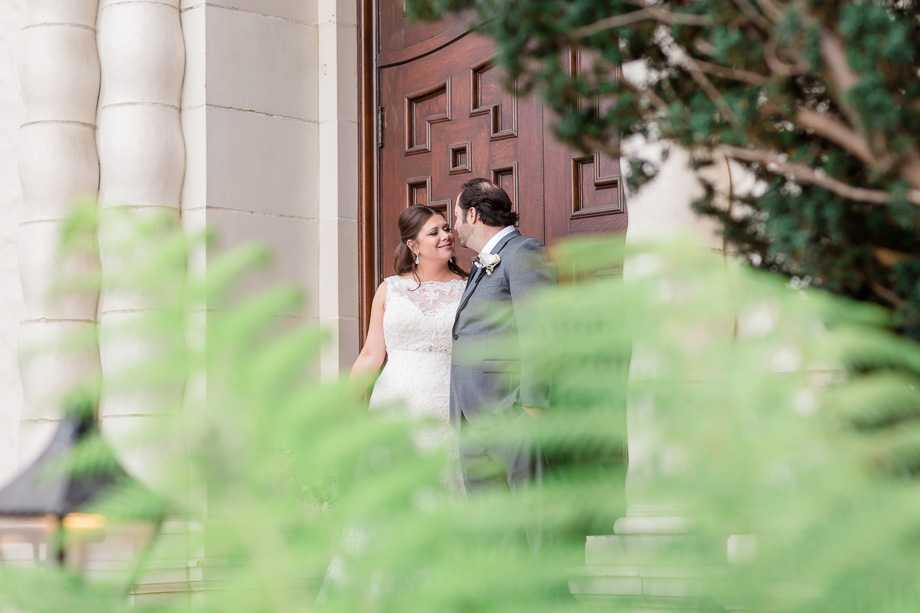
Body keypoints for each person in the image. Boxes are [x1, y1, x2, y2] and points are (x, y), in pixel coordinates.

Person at [351, 204, 469, 492]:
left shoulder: (469, 288)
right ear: (413, 245)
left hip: (445, 403)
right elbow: (370, 354)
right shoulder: (389, 289)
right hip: (392, 404)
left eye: (446, 228)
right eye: (434, 232)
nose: (446, 235)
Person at [450, 177, 555, 495]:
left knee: (536, 525)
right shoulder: (482, 263)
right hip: (473, 421)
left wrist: (531, 411)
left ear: (472, 215)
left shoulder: (524, 252)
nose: (454, 227)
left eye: (456, 217)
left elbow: (541, 332)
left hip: (510, 416)